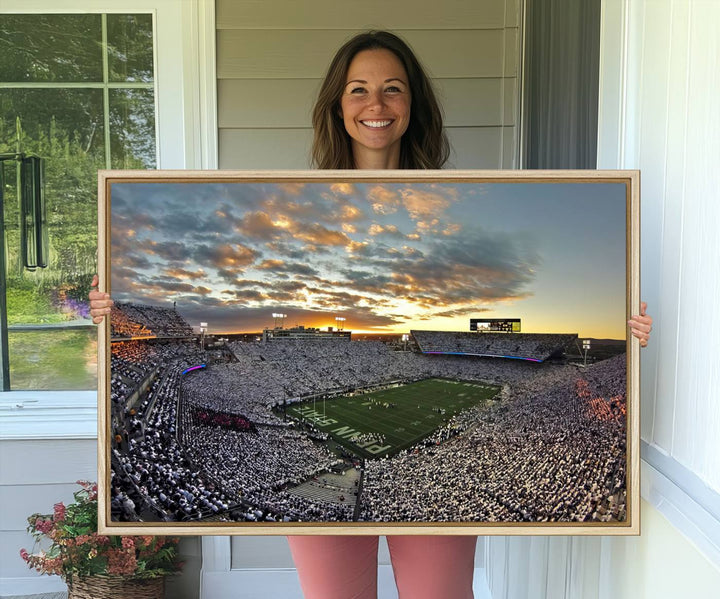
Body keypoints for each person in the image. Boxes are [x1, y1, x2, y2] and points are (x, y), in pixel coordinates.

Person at [89, 30, 653, 599]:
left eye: (392, 89)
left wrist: (628, 334)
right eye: (358, 90)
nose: (376, 105)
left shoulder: (458, 198)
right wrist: (112, 310)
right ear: (338, 104)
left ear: (413, 105)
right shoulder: (300, 198)